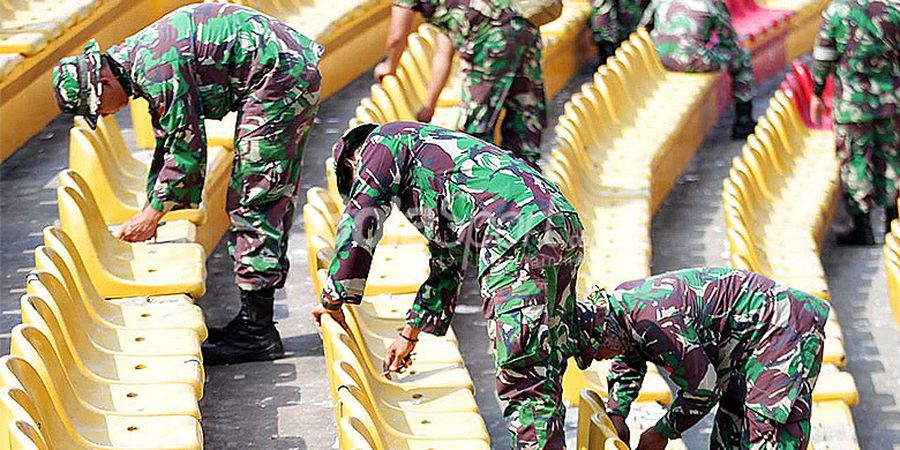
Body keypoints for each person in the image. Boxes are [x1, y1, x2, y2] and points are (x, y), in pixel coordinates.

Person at [52, 3, 323, 365]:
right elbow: (170, 138)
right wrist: (155, 203)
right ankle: (252, 321)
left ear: (103, 84)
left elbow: (186, 150)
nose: (104, 114)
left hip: (278, 75)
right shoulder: (140, 62)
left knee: (255, 196)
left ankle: (257, 332)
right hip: (275, 68)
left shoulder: (155, 70)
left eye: (97, 107)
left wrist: (151, 215)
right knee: (252, 192)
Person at [311, 121, 592, 448]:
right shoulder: (428, 156)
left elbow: (362, 219)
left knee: (523, 372)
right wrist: (410, 333)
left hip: (516, 234)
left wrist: (333, 298)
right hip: (559, 222)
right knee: (545, 358)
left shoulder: (380, 144)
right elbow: (448, 257)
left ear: (352, 162)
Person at [577, 267, 829, 449]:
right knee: (728, 436)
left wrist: (661, 432)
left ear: (606, 334)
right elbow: (630, 354)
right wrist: (617, 412)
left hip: (782, 329)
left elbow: (704, 391)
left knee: (765, 436)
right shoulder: (620, 314)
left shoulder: (658, 324)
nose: (599, 359)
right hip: (740, 346)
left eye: (596, 352)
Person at [373, 0, 547, 167]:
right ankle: (531, 182)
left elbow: (397, 37)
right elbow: (444, 52)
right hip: (525, 26)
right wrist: (429, 105)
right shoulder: (450, 9)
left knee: (476, 126)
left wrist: (389, 65)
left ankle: (485, 182)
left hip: (491, 38)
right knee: (525, 112)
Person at [810, 0, 900, 245]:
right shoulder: (894, 9)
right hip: (892, 101)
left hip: (853, 105)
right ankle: (894, 225)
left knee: (856, 161)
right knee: (892, 161)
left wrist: (817, 92)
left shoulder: (837, 11)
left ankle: (863, 229)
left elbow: (823, 56)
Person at [640, 0, 757, 139]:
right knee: (742, 57)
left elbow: (643, 28)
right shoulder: (712, 3)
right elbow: (729, 41)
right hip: (694, 62)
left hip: (661, 60)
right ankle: (744, 121)